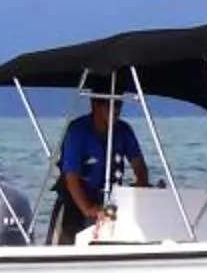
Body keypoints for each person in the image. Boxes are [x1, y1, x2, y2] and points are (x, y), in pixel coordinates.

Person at [52, 92, 150, 245]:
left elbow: (140, 167)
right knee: (67, 247)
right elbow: (71, 177)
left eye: (118, 104)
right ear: (94, 104)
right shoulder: (77, 131)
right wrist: (88, 208)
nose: (115, 110)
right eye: (109, 105)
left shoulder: (124, 131)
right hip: (75, 203)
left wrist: (139, 188)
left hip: (109, 204)